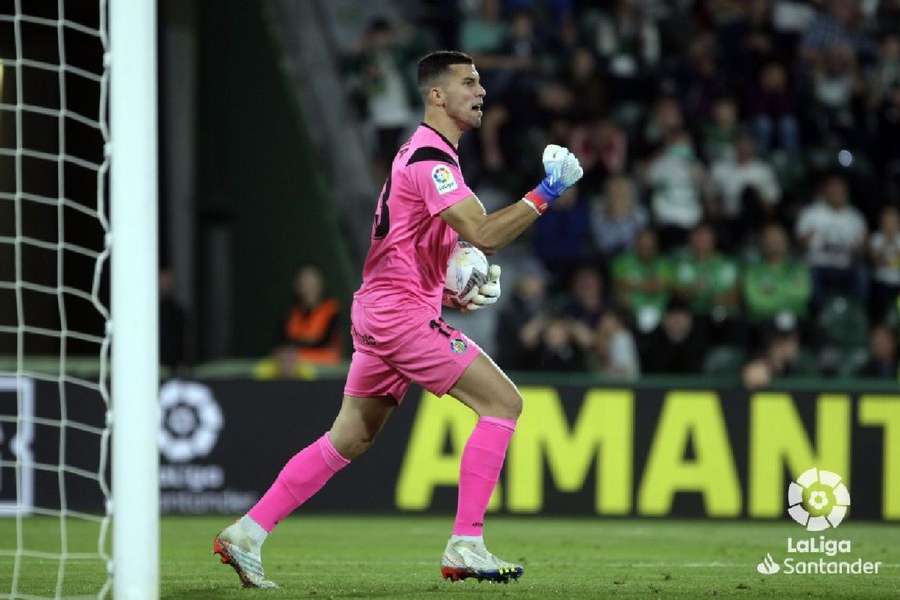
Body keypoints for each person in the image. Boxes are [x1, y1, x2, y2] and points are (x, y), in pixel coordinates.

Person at [213, 51, 583, 588]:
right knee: (504, 403)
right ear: (437, 95)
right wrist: (545, 193)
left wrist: (453, 285)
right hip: (400, 317)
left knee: (349, 438)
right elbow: (483, 233)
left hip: (385, 310)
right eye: (468, 82)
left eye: (480, 82)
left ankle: (247, 532)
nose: (480, 91)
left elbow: (410, 245)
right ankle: (467, 543)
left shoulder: (426, 156)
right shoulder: (430, 161)